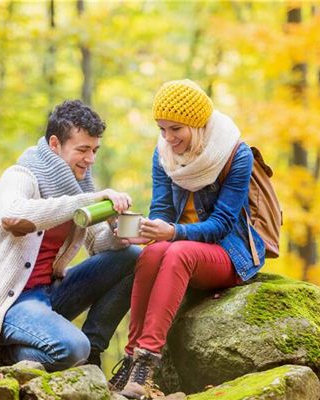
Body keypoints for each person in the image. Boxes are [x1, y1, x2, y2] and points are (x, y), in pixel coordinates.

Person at [0, 100, 141, 371]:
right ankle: (5, 355)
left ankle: (92, 353)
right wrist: (87, 201)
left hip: (49, 294)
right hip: (9, 303)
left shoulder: (78, 186)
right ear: (55, 144)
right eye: (83, 150)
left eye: (95, 150)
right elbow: (12, 216)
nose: (91, 159)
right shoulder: (19, 177)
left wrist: (117, 233)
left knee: (132, 257)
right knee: (71, 348)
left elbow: (98, 245)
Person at [109, 79, 266, 399]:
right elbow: (163, 210)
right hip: (177, 248)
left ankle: (147, 362)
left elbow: (221, 223)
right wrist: (147, 232)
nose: (168, 138)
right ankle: (130, 358)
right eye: (162, 129)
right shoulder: (163, 154)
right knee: (151, 255)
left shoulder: (235, 154)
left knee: (178, 252)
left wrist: (174, 232)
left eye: (175, 129)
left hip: (227, 252)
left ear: (198, 123)